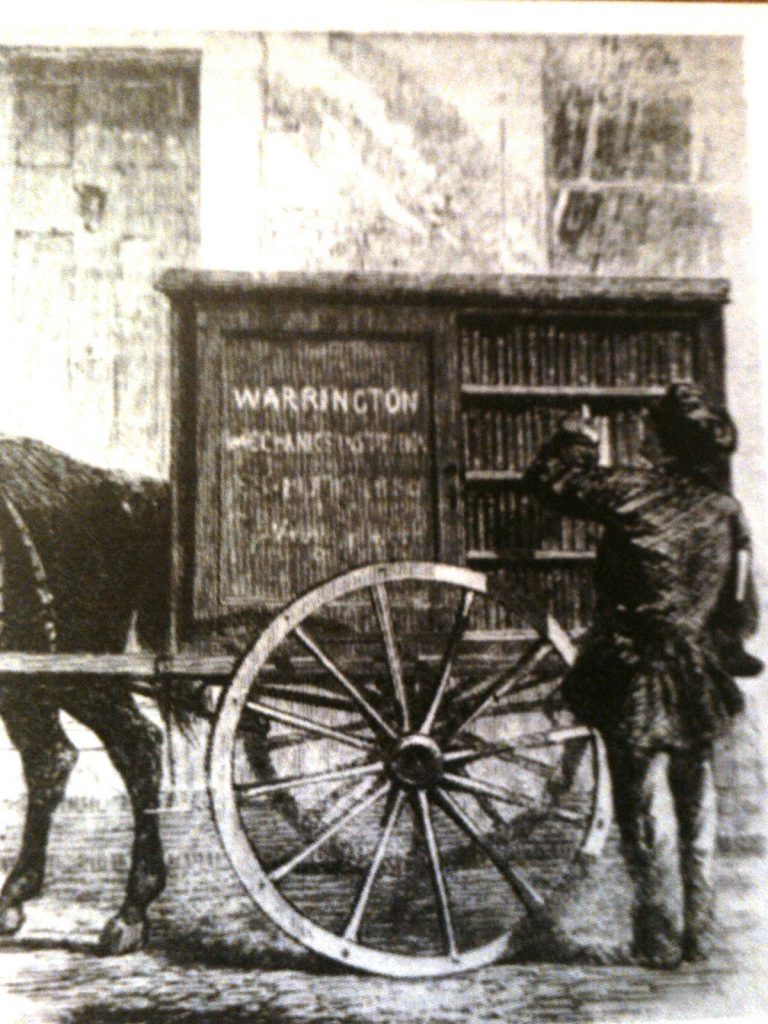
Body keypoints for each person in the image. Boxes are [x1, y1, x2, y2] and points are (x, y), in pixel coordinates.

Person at [521, 381, 762, 968]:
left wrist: (577, 437)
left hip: (636, 671)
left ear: (662, 439)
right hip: (697, 673)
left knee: (639, 804)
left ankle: (654, 935)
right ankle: (698, 935)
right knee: (696, 801)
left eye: (651, 429)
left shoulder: (635, 490)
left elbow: (550, 484)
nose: (645, 436)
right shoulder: (729, 513)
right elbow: (743, 613)